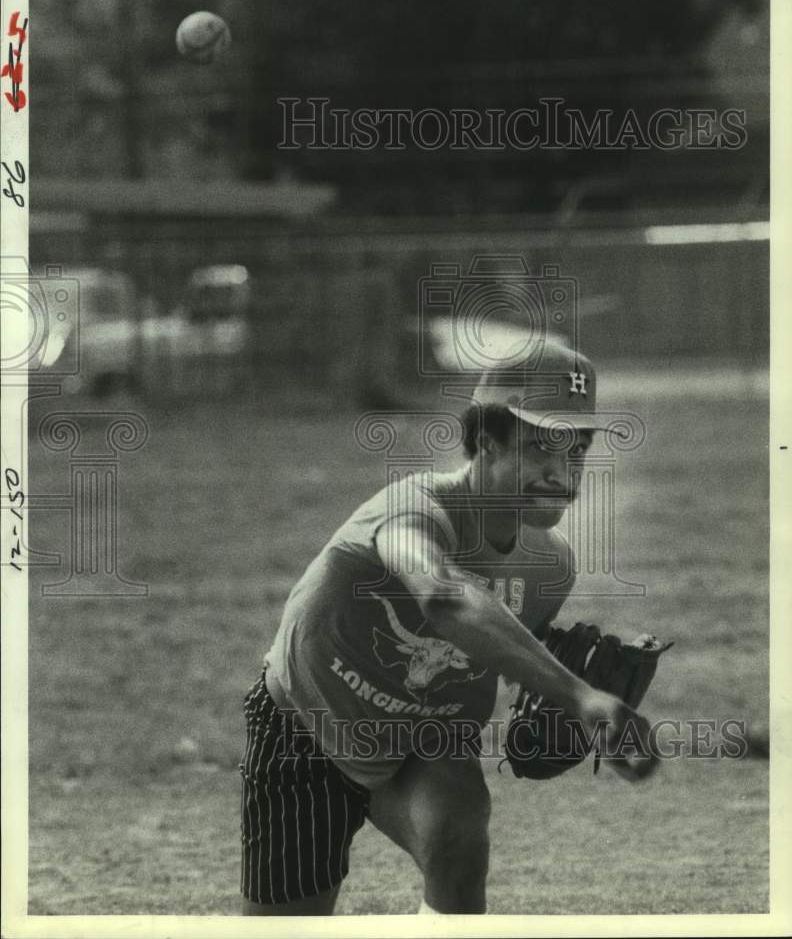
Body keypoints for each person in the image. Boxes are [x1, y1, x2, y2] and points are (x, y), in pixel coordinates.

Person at [240, 338, 653, 916]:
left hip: (419, 745)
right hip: (306, 731)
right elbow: (443, 597)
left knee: (460, 835)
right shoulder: (411, 509)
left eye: (576, 453)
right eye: (540, 450)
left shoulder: (550, 567)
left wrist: (557, 708)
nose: (562, 474)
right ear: (486, 442)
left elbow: (491, 654)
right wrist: (578, 695)